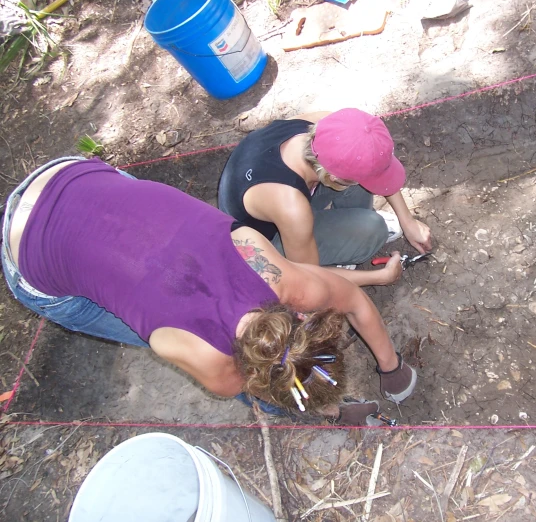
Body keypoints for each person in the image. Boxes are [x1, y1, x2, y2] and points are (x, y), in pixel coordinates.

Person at [2, 157, 418, 425]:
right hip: (30, 252)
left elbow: (355, 302)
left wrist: (391, 365)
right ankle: (305, 410)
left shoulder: (279, 277)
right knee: (123, 306)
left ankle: (308, 403)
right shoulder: (205, 359)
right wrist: (328, 402)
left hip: (77, 178)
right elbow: (254, 380)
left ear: (305, 318)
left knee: (130, 286)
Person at [217, 108, 433, 287]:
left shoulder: (325, 129)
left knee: (361, 174)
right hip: (263, 245)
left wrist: (408, 221)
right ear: (333, 177)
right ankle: (341, 253)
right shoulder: (291, 206)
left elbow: (374, 162)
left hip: (284, 202)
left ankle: (343, 234)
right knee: (373, 228)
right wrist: (378, 278)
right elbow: (307, 277)